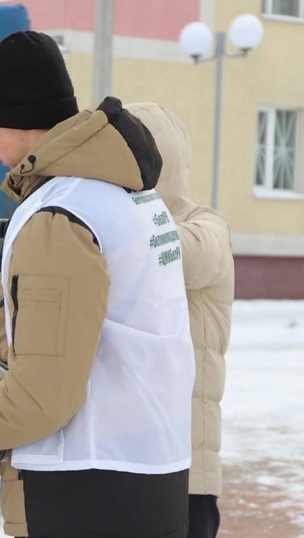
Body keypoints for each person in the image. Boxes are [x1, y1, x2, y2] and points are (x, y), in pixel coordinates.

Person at [0, 31, 196, 538]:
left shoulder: (60, 215)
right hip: (140, 468)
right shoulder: (124, 196)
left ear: (17, 115)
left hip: (84, 486)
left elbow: (42, 398)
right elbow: (88, 351)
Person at [126, 102, 235, 538]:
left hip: (188, 468)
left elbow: (178, 253)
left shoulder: (205, 226)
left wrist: (123, 208)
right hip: (128, 458)